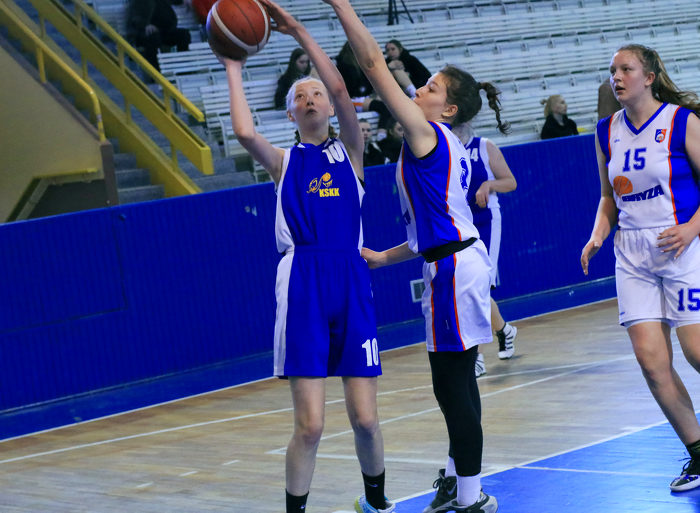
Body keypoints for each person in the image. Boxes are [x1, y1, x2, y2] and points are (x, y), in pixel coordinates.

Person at [323, 1, 507, 511]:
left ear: (447, 110)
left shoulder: (426, 134)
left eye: (430, 88)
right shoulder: (437, 140)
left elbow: (372, 64)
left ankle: (469, 497)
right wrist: (385, 258)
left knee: (451, 388)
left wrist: (340, 5)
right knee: (459, 383)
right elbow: (434, 227)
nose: (419, 90)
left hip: (453, 270)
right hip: (454, 261)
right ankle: (458, 483)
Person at [216, 1, 394, 512]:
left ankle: (376, 503)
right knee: (311, 425)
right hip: (303, 283)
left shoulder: (351, 153)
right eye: (300, 96)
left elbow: (340, 88)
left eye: (316, 92)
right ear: (291, 114)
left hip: (350, 277)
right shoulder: (283, 161)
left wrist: (296, 30)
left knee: (366, 419)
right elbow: (245, 132)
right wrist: (233, 65)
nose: (311, 97)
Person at [581, 44, 700, 493]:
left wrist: (691, 229)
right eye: (612, 70)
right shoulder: (605, 130)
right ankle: (699, 453)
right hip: (632, 255)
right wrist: (597, 234)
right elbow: (607, 196)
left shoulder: (681, 121)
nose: (616, 76)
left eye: (626, 69)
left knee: (697, 353)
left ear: (649, 77)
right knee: (652, 364)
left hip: (681, 246)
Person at [452, 124, 518, 378]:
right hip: (458, 223)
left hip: (486, 220)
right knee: (469, 287)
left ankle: (476, 357)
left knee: (478, 288)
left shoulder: (483, 146)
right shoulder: (442, 148)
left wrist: (489, 184)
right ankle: (504, 330)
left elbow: (510, 182)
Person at [126, 0, 191, 72]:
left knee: (184, 34)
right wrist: (145, 25)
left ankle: (184, 68)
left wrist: (182, 1)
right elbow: (135, 17)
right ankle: (155, 72)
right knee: (153, 38)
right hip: (145, 33)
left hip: (164, 30)